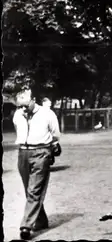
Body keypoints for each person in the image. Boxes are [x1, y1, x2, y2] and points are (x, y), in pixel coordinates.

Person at [13, 89, 61, 240]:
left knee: (34, 190)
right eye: (20, 106)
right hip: (23, 153)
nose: (23, 109)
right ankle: (41, 220)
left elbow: (55, 134)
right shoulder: (17, 115)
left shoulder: (48, 114)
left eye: (25, 105)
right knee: (30, 189)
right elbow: (18, 132)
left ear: (33, 99)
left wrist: (51, 150)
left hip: (41, 152)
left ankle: (26, 226)